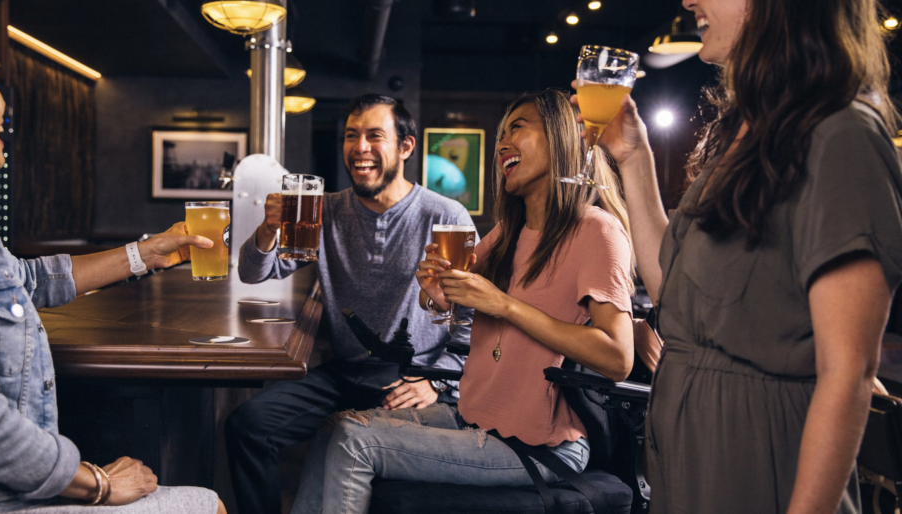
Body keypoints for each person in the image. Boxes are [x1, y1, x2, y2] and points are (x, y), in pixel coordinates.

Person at [0, 7, 224, 514]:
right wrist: (99, 482)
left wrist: (148, 252)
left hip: (4, 491)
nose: (4, 105)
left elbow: (30, 281)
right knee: (206, 505)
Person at [575, 0, 902, 512]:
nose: (689, 1)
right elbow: (671, 288)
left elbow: (849, 373)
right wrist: (634, 157)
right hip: (688, 457)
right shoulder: (748, 130)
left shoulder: (842, 135)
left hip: (758, 456)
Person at [289, 89, 636, 513]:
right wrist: (436, 296)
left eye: (518, 128)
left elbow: (618, 358)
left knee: (353, 441)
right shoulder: (508, 234)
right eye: (501, 133)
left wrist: (505, 305)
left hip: (539, 443)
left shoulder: (595, 231)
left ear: (562, 136)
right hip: (478, 417)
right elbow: (446, 308)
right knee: (333, 428)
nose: (502, 143)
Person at [228, 94, 475, 514]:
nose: (360, 147)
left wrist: (437, 383)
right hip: (344, 374)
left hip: (410, 378)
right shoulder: (323, 211)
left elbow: (474, 318)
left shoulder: (445, 216)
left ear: (406, 147)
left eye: (375, 136)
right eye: (351, 136)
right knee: (248, 425)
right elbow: (255, 273)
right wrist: (268, 230)